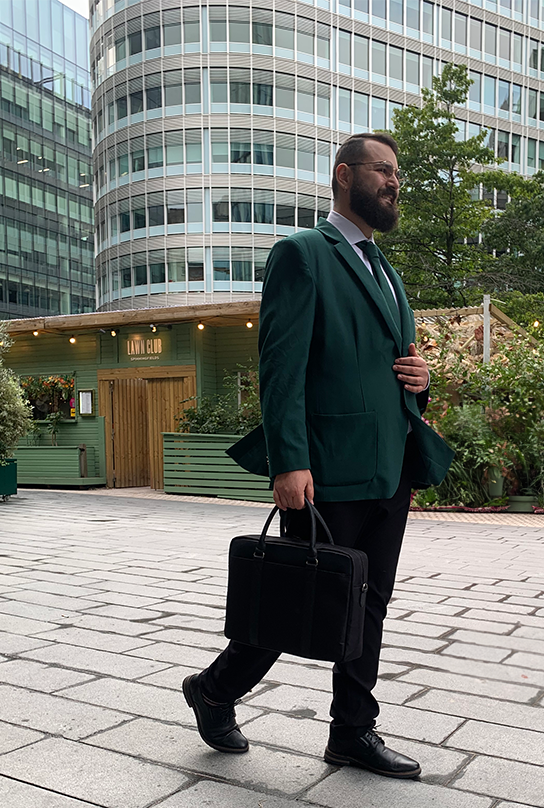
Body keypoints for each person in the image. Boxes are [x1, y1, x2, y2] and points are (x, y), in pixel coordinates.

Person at [183, 132, 453, 779]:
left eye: (397, 174)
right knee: (298, 599)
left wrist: (419, 380)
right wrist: (288, 461)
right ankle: (214, 690)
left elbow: (385, 366)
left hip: (389, 468)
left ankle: (351, 732)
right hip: (326, 468)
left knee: (370, 603)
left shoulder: (385, 269)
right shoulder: (303, 254)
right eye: (381, 170)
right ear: (343, 175)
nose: (393, 182)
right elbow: (281, 368)